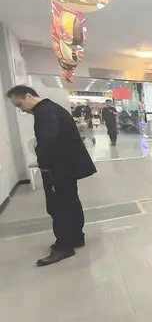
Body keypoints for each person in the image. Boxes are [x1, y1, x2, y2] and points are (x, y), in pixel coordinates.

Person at [5, 85, 97, 266]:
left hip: (58, 168)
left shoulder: (46, 112)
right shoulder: (52, 108)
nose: (21, 110)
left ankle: (64, 246)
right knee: (71, 202)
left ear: (29, 96)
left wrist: (43, 163)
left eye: (20, 104)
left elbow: (49, 142)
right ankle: (76, 237)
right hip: (67, 167)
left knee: (59, 207)